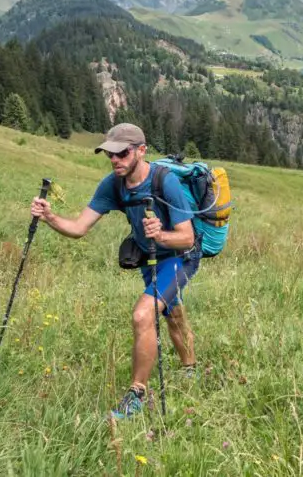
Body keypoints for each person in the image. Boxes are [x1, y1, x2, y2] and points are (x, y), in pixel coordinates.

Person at [29, 122, 202, 420]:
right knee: (172, 314)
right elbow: (79, 228)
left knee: (143, 314)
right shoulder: (113, 184)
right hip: (149, 259)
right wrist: (49, 217)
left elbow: (186, 237)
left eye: (122, 153)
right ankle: (191, 369)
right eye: (110, 154)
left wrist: (160, 235)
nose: (114, 160)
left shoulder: (166, 181)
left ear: (141, 151)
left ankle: (137, 394)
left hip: (180, 255)